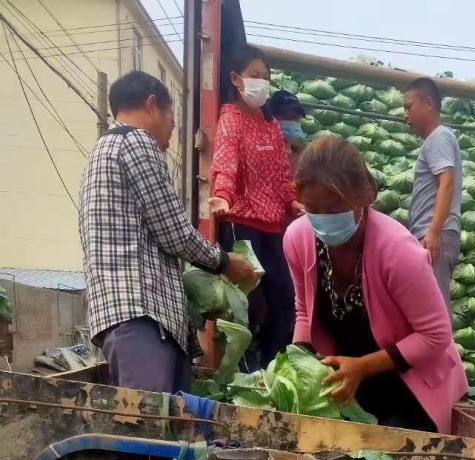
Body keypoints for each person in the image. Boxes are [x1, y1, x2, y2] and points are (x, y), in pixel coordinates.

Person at [79, 71, 255, 393]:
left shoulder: (103, 151)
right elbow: (174, 231)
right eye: (172, 114)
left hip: (129, 317)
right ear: (151, 105)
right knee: (152, 428)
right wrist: (225, 262)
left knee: (161, 428)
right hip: (141, 316)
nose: (174, 124)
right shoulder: (135, 142)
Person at [283, 136, 467, 433]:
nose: (321, 219)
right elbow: (304, 311)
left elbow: (435, 336)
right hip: (353, 385)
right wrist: (297, 370)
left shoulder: (398, 251)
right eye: (312, 208)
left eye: (333, 209)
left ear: (364, 195)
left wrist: (362, 367)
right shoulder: (298, 239)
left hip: (413, 389)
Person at [209, 45, 301, 367]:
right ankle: (244, 367)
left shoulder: (271, 125)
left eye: (266, 77)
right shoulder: (231, 119)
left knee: (285, 298)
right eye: (254, 76)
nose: (261, 83)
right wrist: (222, 193)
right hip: (242, 222)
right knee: (242, 300)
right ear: (236, 79)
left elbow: (281, 173)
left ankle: (272, 362)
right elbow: (226, 159)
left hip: (273, 226)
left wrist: (292, 202)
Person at [404, 77, 462, 315]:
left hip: (433, 235)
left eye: (409, 106)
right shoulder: (435, 139)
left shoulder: (439, 136)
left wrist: (434, 230)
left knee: (434, 312)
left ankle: (444, 354)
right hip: (430, 234)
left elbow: (446, 182)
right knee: (426, 309)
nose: (405, 114)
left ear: (428, 103)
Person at [271, 88, 307, 179]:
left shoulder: (302, 155)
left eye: (295, 117)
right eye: (283, 115)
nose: (290, 121)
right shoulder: (259, 150)